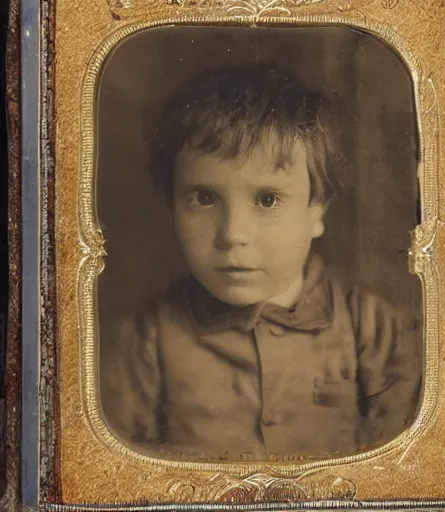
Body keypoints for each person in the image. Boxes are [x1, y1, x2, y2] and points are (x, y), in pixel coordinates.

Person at [101, 63, 422, 462]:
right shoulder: (144, 342)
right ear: (171, 206)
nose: (232, 234)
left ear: (316, 210)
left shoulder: (372, 329)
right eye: (204, 198)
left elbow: (402, 468)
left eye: (267, 199)